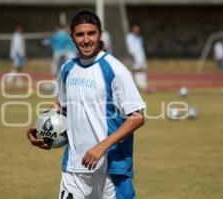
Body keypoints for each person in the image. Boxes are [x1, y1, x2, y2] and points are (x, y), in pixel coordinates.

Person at [27, 10, 146, 199]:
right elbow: (63, 106)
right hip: (74, 169)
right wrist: (43, 126)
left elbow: (137, 117)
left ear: (100, 34)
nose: (86, 40)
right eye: (80, 34)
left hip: (111, 170)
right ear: (72, 37)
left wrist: (101, 147)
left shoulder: (115, 70)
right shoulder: (67, 69)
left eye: (91, 33)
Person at [126, 24, 149, 92]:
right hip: (135, 57)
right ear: (132, 29)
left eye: (138, 29)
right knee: (136, 70)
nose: (137, 30)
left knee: (142, 70)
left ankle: (143, 85)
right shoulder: (129, 37)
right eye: (136, 29)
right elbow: (130, 48)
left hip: (141, 57)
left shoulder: (139, 38)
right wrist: (132, 56)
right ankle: (138, 85)